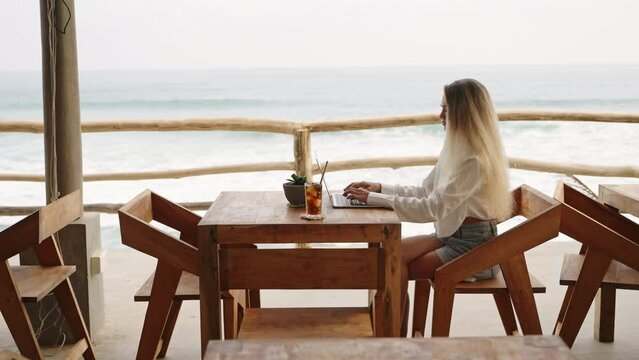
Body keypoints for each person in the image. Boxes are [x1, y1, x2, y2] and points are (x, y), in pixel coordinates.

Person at [342, 78, 512, 335]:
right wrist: (379, 187)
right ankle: (394, 337)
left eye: (446, 110)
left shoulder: (474, 161)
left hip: (475, 247)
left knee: (394, 265)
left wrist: (373, 200)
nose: (440, 115)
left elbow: (431, 208)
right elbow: (424, 191)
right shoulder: (456, 150)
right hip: (450, 234)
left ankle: (392, 340)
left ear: (464, 113)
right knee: (388, 255)